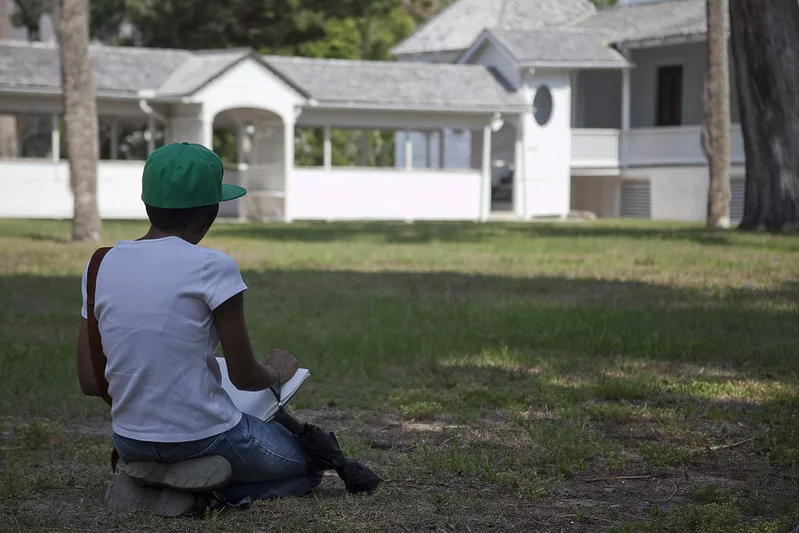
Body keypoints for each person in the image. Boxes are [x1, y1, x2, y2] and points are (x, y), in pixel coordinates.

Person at [76, 142, 324, 516]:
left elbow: (90, 382)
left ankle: (153, 478)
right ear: (210, 212)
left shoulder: (100, 264)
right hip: (204, 437)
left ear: (147, 204)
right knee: (309, 469)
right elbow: (243, 377)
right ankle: (208, 495)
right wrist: (275, 371)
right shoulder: (213, 266)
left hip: (131, 441)